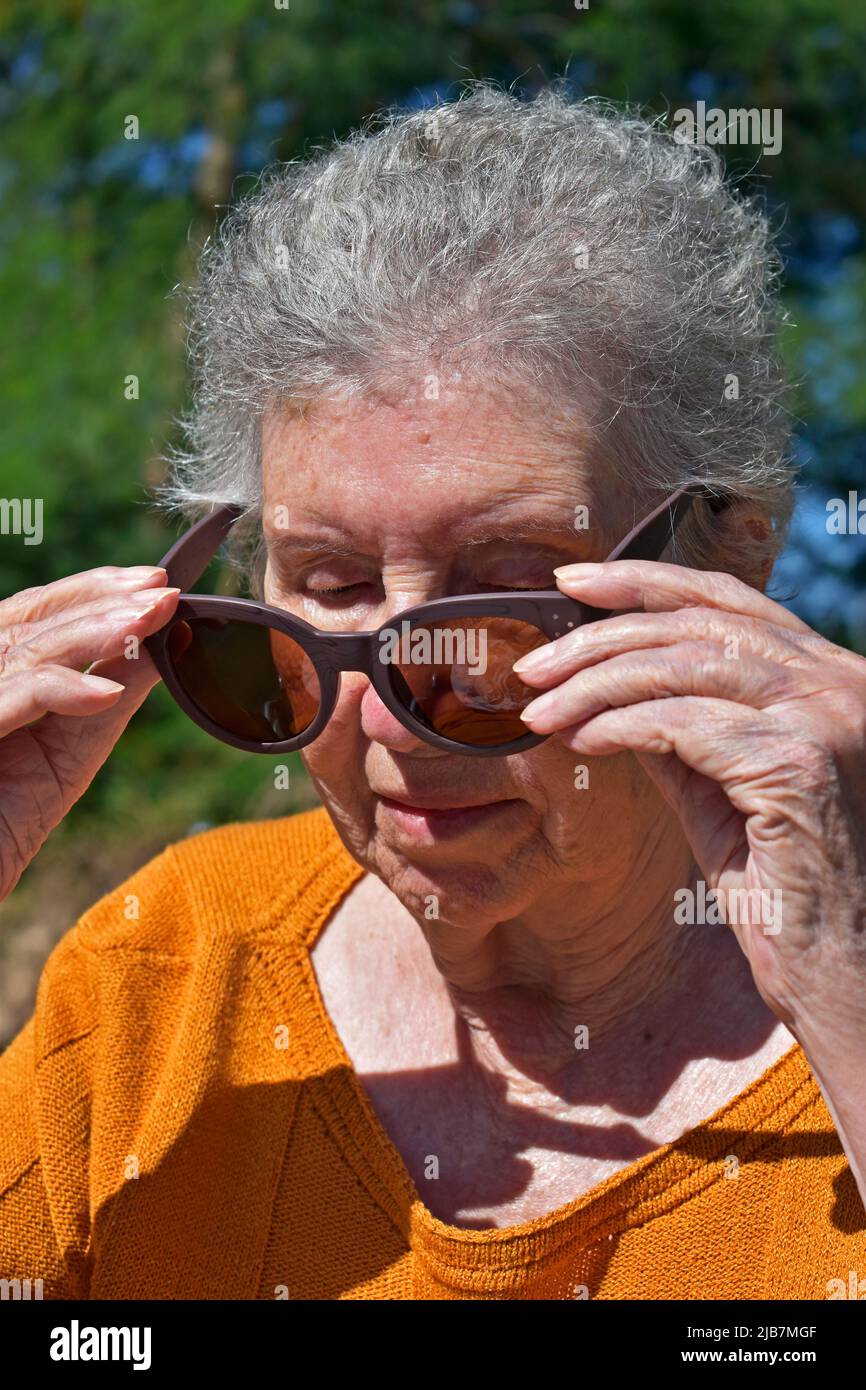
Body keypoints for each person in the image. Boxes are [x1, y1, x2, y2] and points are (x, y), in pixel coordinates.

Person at [1, 82, 864, 1300]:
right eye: (331, 582)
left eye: (498, 588)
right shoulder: (167, 967)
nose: (393, 710)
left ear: (729, 556)